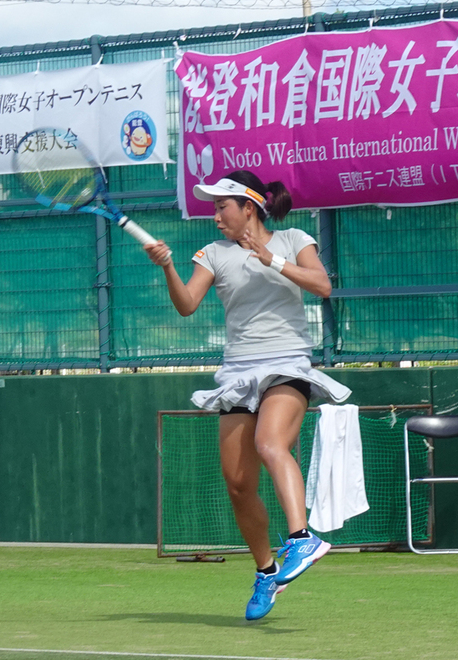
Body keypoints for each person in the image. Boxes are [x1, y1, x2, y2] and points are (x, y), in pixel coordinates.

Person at [144, 170, 351, 621]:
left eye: (222, 206)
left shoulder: (294, 238)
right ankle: (266, 571)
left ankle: (302, 538)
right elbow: (186, 305)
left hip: (287, 365)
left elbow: (322, 286)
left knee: (270, 443)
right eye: (214, 208)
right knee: (238, 484)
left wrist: (270, 259)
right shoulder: (212, 254)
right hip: (238, 372)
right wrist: (167, 267)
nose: (216, 216)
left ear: (249, 207)